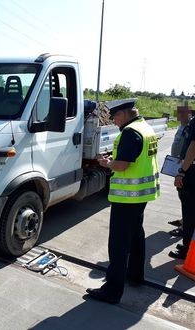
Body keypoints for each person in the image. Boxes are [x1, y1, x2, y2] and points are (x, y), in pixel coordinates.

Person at [85, 99, 160, 304]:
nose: (114, 121)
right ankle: (136, 276)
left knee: (118, 243)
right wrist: (117, 158)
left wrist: (107, 163)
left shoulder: (129, 132)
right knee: (136, 235)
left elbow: (122, 166)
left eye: (116, 116)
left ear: (125, 114)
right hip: (142, 194)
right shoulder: (145, 127)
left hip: (128, 196)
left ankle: (112, 290)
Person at [169, 114, 195, 259]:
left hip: (192, 171)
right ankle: (189, 246)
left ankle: (187, 249)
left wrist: (182, 171)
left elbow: (194, 146)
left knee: (189, 212)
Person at [167, 106, 192, 237]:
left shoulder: (190, 127)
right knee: (181, 196)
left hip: (186, 167)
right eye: (178, 113)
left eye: (183, 113)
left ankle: (185, 227)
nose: (179, 116)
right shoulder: (182, 126)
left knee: (186, 197)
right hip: (176, 165)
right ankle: (184, 220)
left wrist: (183, 167)